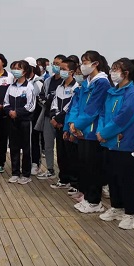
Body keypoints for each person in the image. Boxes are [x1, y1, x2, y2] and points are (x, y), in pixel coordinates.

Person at [96, 58, 134, 230]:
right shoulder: (112, 91)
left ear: (126, 73)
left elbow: (124, 117)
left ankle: (131, 213)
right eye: (113, 69)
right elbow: (103, 113)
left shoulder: (132, 94)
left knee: (126, 179)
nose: (112, 73)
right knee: (112, 176)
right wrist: (100, 131)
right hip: (108, 142)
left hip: (125, 143)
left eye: (116, 69)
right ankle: (116, 207)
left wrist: (104, 133)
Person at [66, 50, 111, 214]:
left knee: (93, 167)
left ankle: (94, 201)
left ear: (95, 64)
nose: (83, 66)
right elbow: (76, 105)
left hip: (92, 130)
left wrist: (78, 124)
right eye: (82, 62)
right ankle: (87, 197)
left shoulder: (102, 83)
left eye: (86, 62)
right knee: (84, 165)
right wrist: (72, 123)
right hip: (81, 129)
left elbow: (93, 109)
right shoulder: (86, 82)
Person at [4, 60, 36, 184]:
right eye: (14, 68)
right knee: (14, 147)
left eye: (18, 68)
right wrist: (10, 112)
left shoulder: (29, 87)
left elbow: (31, 105)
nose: (15, 71)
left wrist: (17, 112)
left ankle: (26, 174)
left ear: (25, 71)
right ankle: (15, 172)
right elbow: (5, 102)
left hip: (25, 121)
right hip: (12, 121)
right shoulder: (11, 86)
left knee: (26, 148)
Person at [50, 59, 80, 190]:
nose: (60, 71)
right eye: (60, 68)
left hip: (68, 125)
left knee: (71, 154)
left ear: (71, 72)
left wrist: (59, 119)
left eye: (63, 69)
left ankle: (74, 182)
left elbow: (70, 107)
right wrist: (54, 118)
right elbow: (54, 104)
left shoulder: (76, 87)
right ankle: (63, 179)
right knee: (61, 153)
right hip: (57, 125)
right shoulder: (59, 87)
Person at [37, 54, 66, 179]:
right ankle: (50, 169)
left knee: (62, 148)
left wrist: (50, 98)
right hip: (48, 117)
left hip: (62, 120)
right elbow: (41, 97)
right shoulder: (48, 81)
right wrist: (48, 100)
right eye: (54, 63)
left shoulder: (65, 81)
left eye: (58, 64)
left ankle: (64, 173)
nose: (55, 66)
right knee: (48, 146)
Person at [25, 57, 44, 174]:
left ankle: (35, 163)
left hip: (35, 115)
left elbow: (40, 99)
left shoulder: (38, 81)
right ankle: (27, 162)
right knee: (26, 140)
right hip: (25, 115)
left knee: (35, 139)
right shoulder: (23, 81)